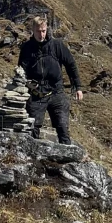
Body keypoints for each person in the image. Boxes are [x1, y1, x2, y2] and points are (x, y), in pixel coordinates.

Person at [18, 15, 80, 145]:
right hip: (36, 94)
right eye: (38, 31)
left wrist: (78, 87)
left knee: (62, 127)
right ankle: (32, 158)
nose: (41, 34)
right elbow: (21, 71)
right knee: (32, 128)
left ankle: (67, 160)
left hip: (57, 92)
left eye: (43, 31)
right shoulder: (26, 48)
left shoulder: (57, 45)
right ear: (33, 30)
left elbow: (71, 64)